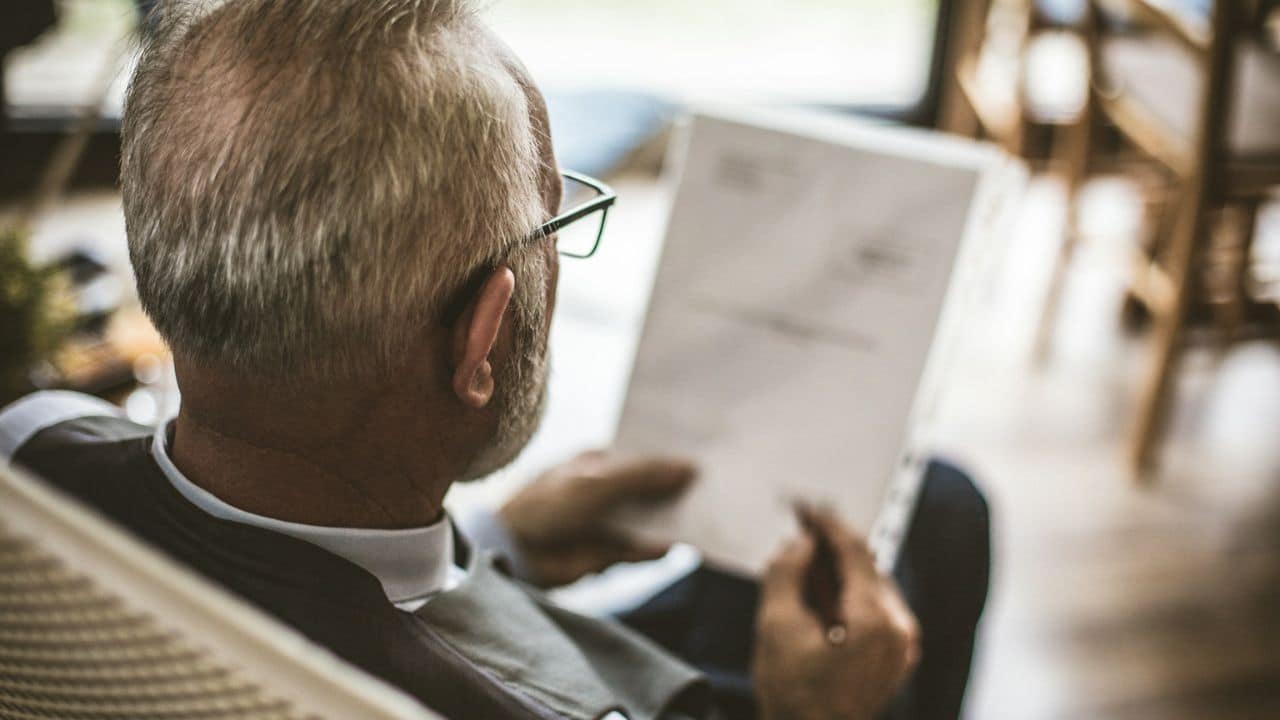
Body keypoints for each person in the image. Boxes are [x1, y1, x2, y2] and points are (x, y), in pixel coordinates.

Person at [0, 1, 989, 717]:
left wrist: (501, 546)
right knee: (935, 528)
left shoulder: (26, 450)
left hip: (437, 622)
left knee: (923, 504)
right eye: (552, 219)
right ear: (482, 340)